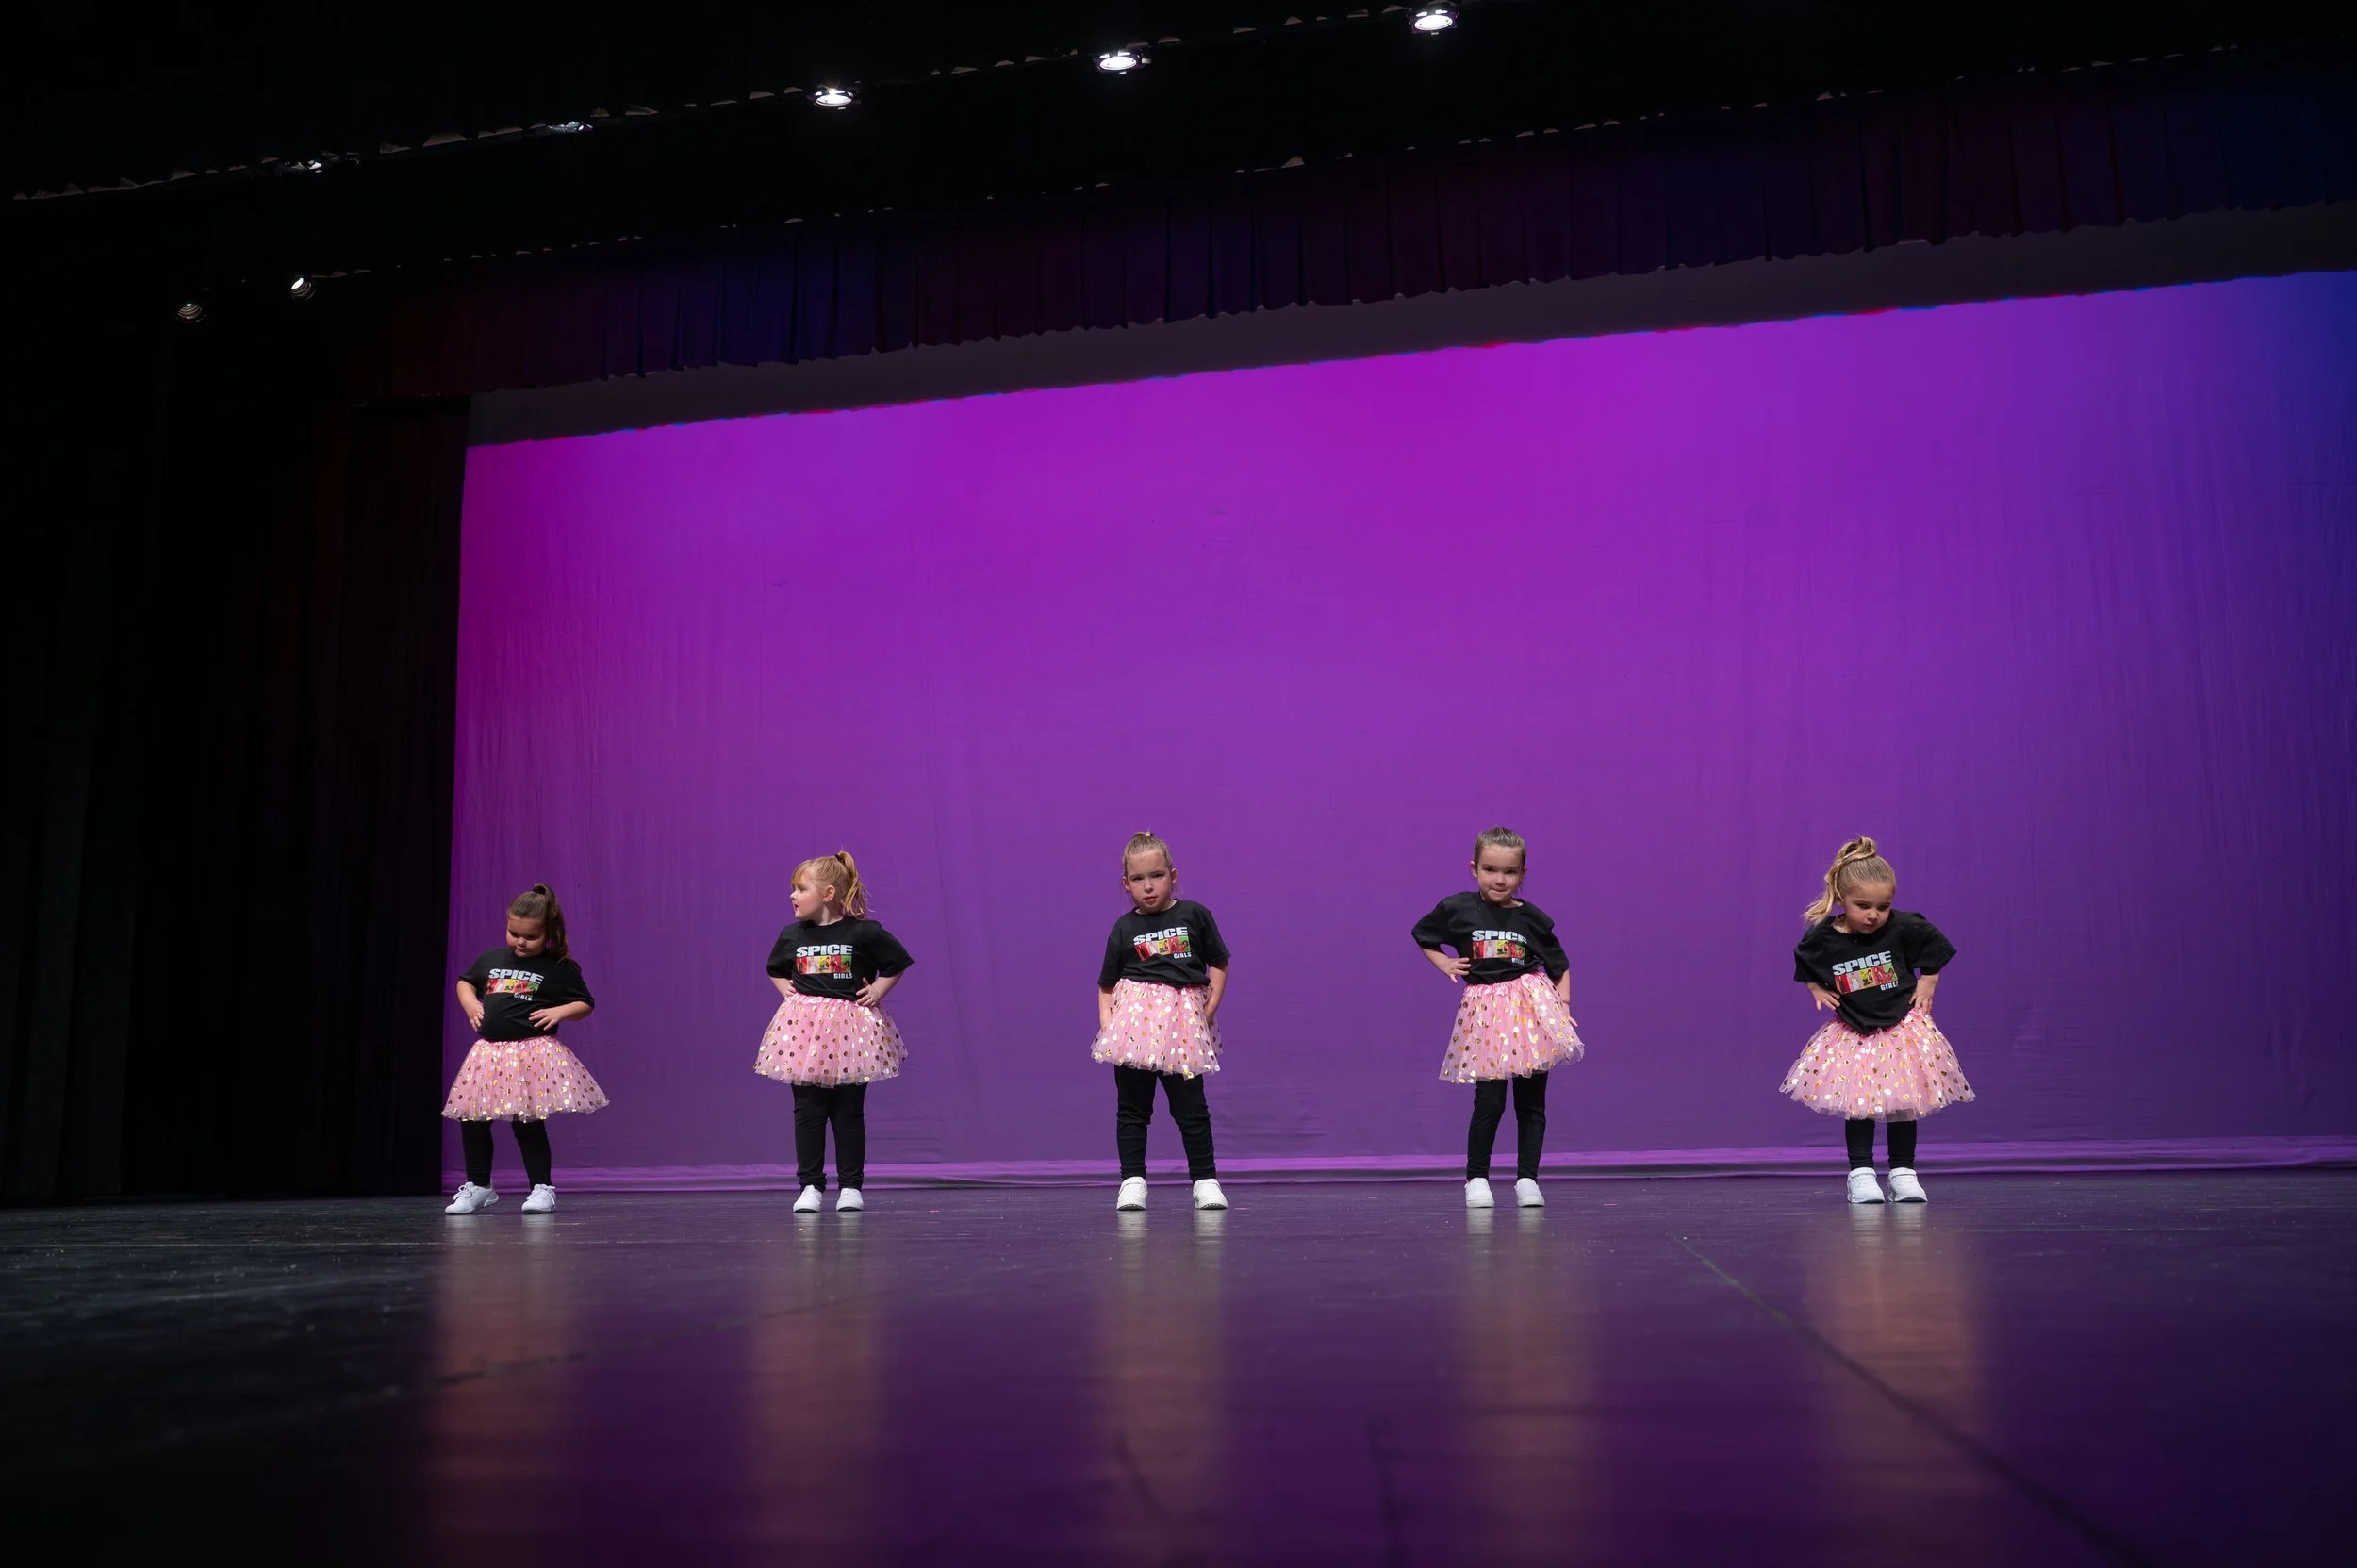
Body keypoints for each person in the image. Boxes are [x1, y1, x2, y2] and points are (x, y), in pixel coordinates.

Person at [1782, 835, 1973, 1203]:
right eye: (1863, 906)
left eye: (1883, 907)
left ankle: (1903, 1172)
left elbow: (1934, 949)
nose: (1873, 915)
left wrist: (1928, 981)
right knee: (1860, 1104)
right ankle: (1862, 1174)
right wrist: (1815, 989)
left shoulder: (1902, 927)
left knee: (1904, 1102)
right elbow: (1804, 960)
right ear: (1842, 899)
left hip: (1900, 1028)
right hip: (1855, 1032)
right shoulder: (1824, 937)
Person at [1413, 827, 1585, 1209]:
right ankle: (1477, 1179)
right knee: (1489, 1100)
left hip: (1529, 1011)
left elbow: (1559, 965)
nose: (1499, 879)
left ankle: (1528, 1180)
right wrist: (1443, 961)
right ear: (1474, 869)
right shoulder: (1456, 908)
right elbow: (1423, 934)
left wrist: (1564, 1007)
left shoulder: (1533, 919)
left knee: (1531, 1101)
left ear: (1523, 874)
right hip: (1488, 1014)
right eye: (1490, 869)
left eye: (1509, 872)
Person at [755, 851, 914, 1214]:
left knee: (848, 1111)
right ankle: (810, 1184)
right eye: (792, 889)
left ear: (827, 894)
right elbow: (775, 969)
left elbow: (897, 963)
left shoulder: (863, 932)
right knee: (807, 1111)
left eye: (800, 889)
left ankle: (850, 1187)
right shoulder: (792, 934)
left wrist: (878, 991)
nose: (792, 896)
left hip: (849, 1032)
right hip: (804, 1032)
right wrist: (788, 995)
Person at [443, 884, 606, 1214]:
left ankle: (541, 1188)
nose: (520, 942)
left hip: (529, 1056)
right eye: (513, 932)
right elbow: (465, 981)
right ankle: (479, 1186)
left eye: (530, 937)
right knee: (472, 1121)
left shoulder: (559, 968)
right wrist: (471, 1003)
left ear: (549, 934)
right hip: (489, 1055)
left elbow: (585, 1003)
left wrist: (560, 1011)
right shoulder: (491, 959)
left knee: (527, 1124)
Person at [1093, 832, 1229, 1213]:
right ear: (1126, 884)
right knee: (1133, 1107)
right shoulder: (1123, 929)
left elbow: (1218, 961)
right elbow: (1106, 984)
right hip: (1135, 1027)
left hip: (1181, 1026)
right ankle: (1132, 1182)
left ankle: (1205, 1180)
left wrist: (1212, 1003)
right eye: (1138, 879)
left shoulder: (1194, 915)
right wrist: (1109, 1025)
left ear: (1173, 876)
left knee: (1191, 1107)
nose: (1148, 886)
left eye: (1156, 876)